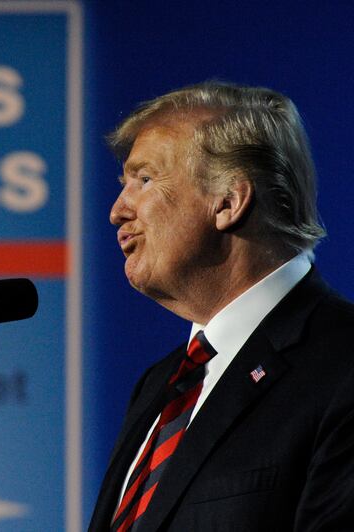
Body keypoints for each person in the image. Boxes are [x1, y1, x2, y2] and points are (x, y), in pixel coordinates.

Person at [88, 82, 354, 531]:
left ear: (228, 201)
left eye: (145, 179)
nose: (117, 210)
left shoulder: (342, 364)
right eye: (124, 184)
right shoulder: (160, 384)